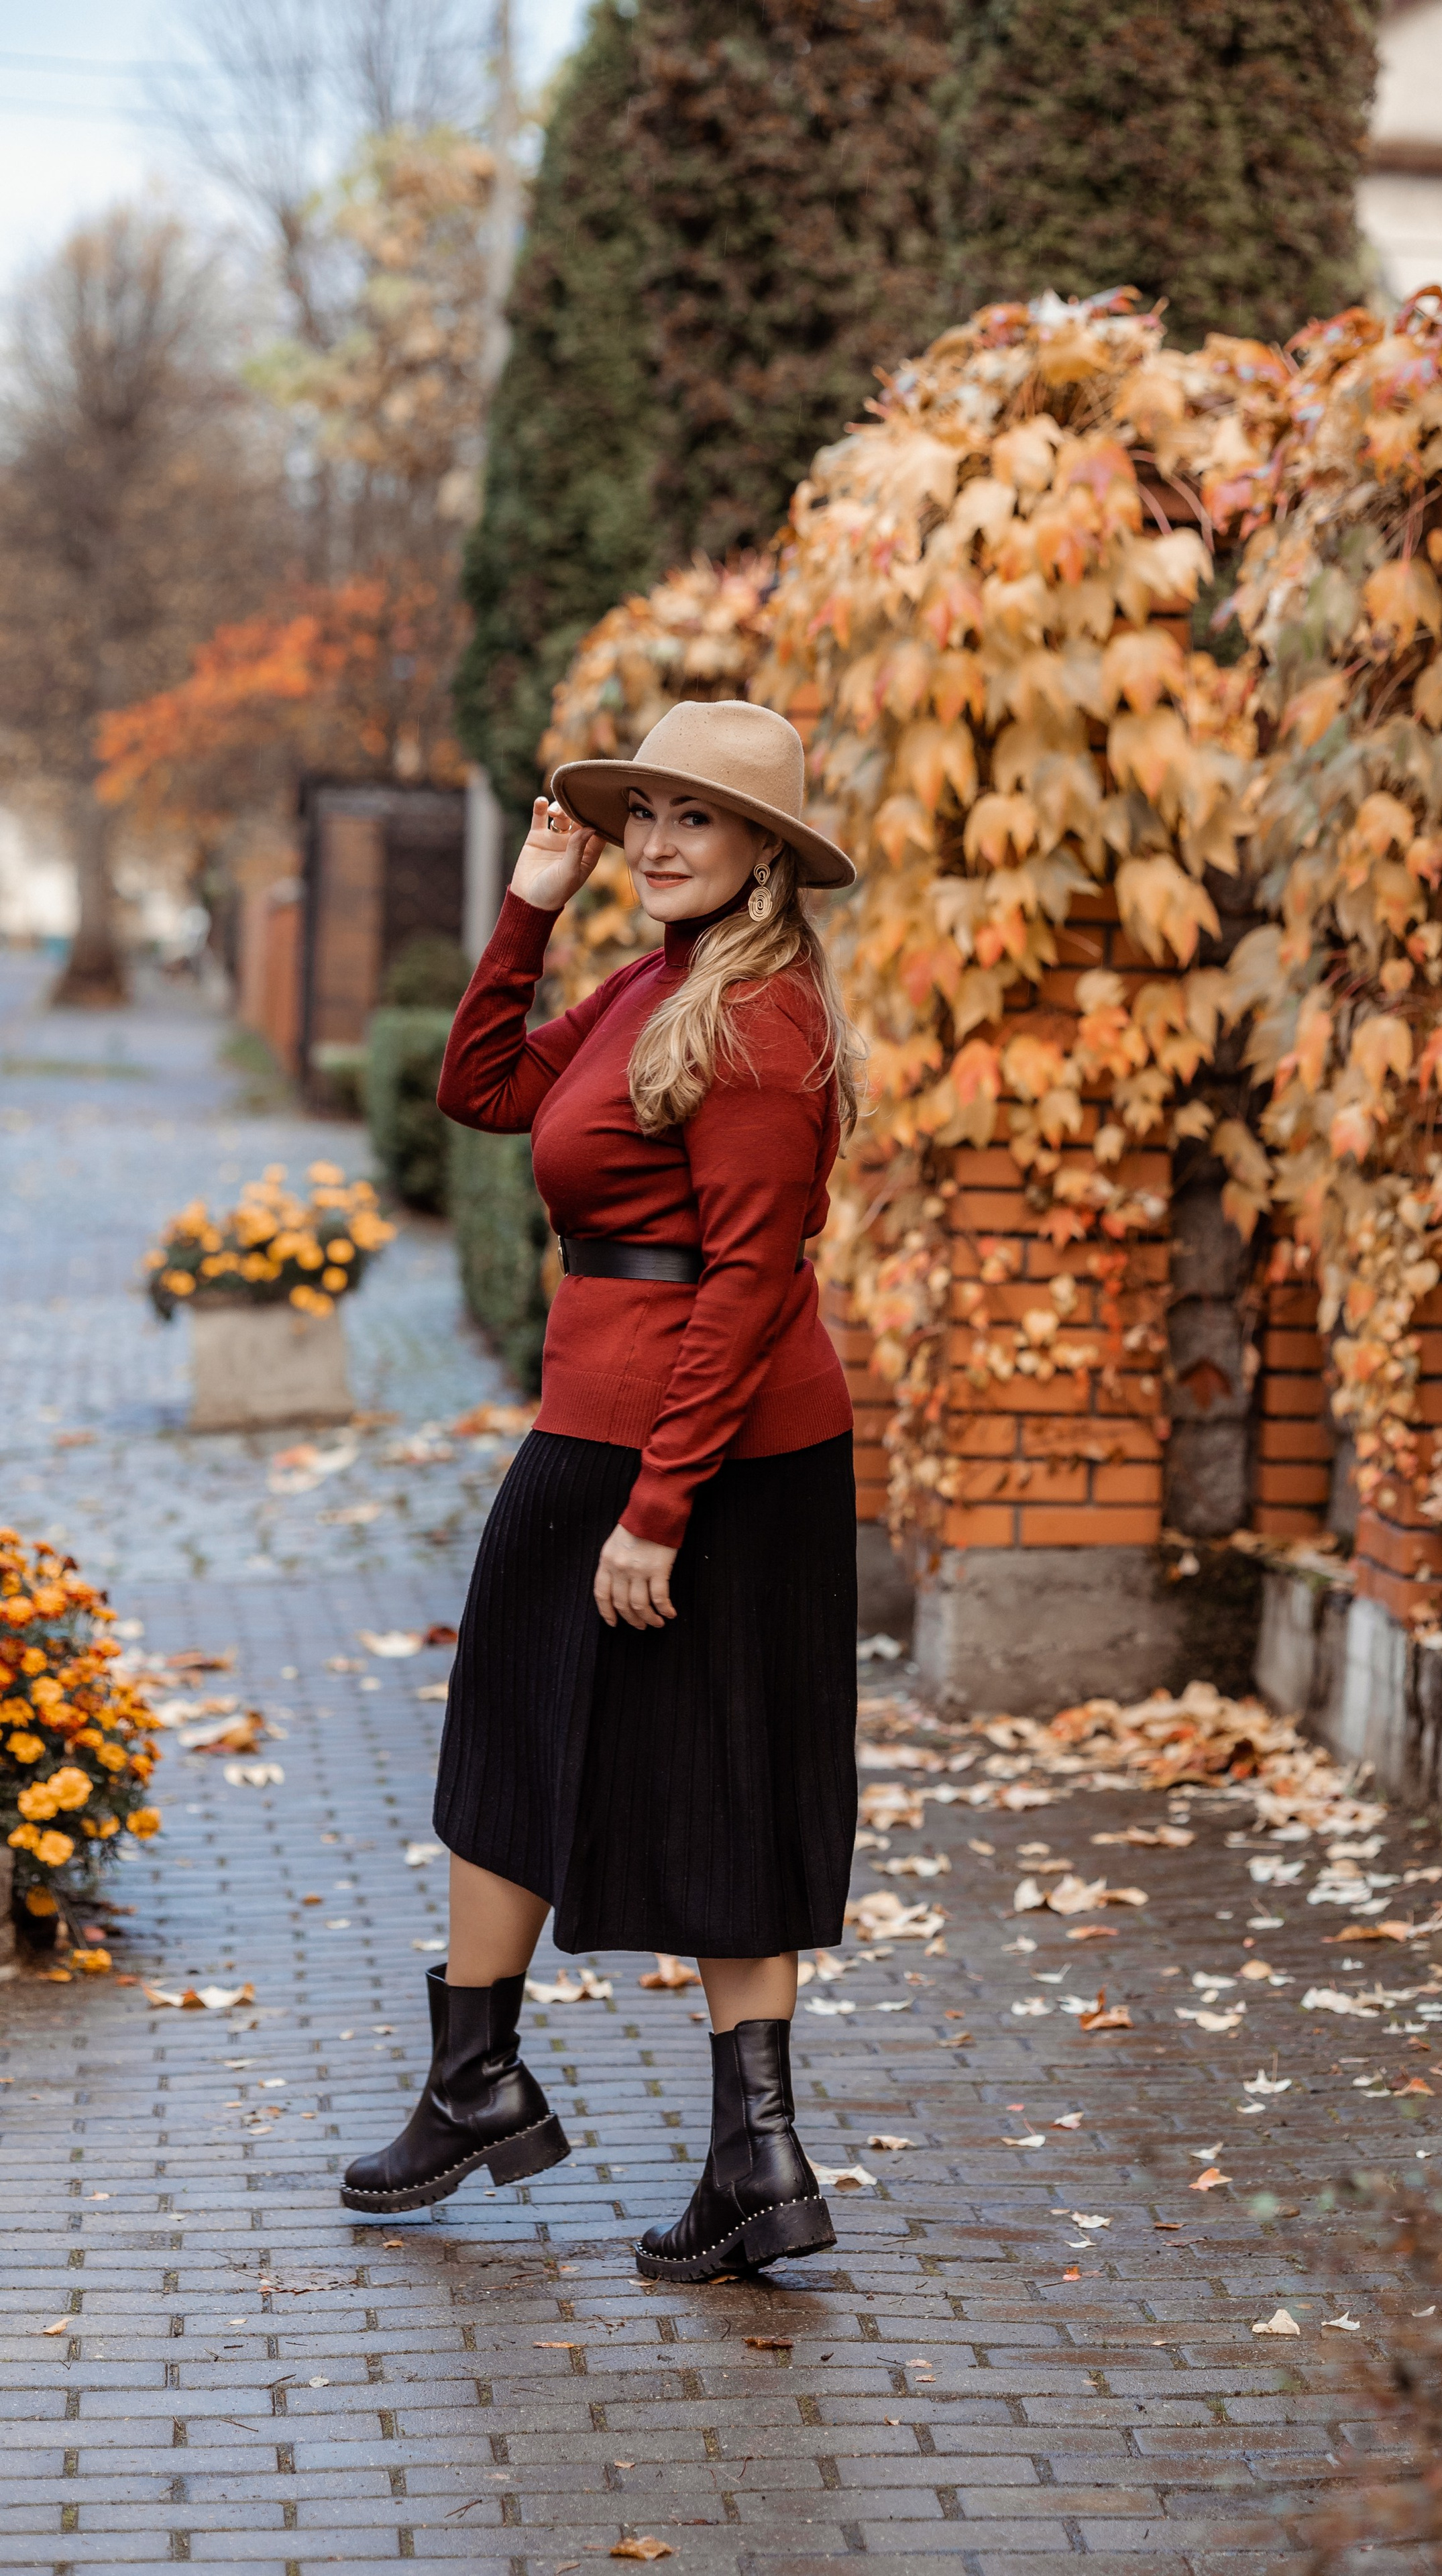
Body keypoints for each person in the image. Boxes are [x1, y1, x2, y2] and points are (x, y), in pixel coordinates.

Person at [339, 701, 863, 2282]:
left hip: (699, 1447)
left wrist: (659, 1506)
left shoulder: (761, 1019)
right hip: (611, 1421)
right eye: (639, 814)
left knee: (724, 1769)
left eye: (692, 820)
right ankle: (507, 2084)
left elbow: (750, 1281)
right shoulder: (653, 980)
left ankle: (722, 2147)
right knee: (519, 1723)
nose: (653, 841)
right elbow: (483, 1089)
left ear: (763, 849)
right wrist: (529, 903)